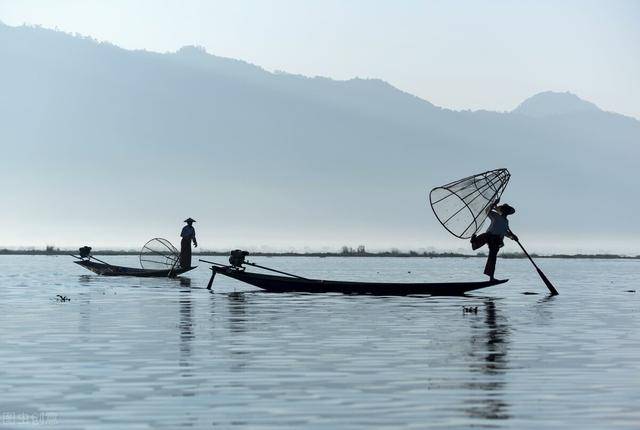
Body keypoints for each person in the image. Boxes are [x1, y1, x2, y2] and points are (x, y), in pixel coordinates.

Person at [470, 201, 518, 281]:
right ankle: (474, 241)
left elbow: (505, 232)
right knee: (482, 238)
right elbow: (487, 211)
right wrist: (493, 204)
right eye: (504, 209)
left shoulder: (506, 222)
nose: (505, 211)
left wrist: (512, 237)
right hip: (489, 236)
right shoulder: (495, 216)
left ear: (508, 212)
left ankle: (491, 277)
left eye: (507, 210)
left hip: (497, 240)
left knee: (493, 258)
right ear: (502, 210)